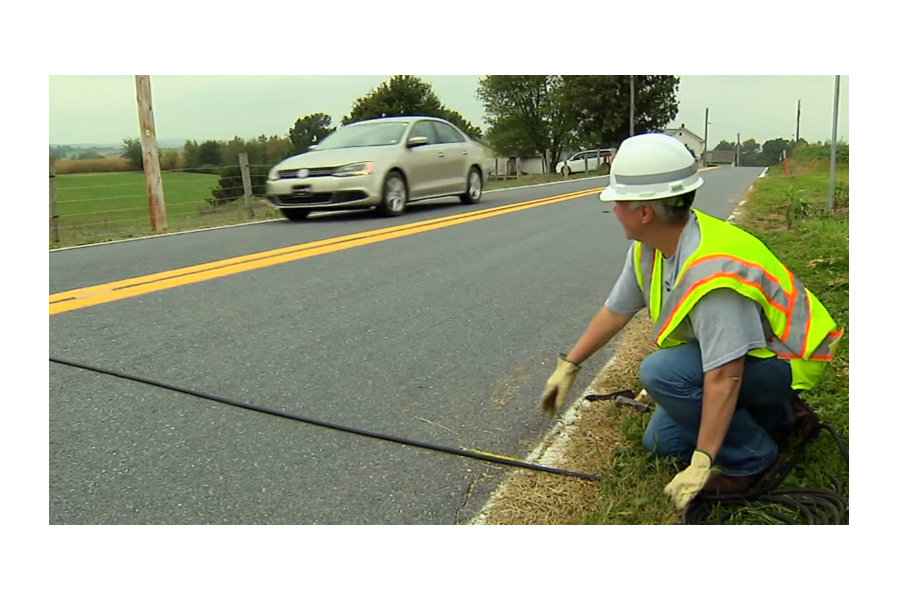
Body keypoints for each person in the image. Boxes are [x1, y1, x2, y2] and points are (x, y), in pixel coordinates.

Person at [539, 133, 843, 511]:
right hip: (756, 356)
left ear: (645, 212)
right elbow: (616, 310)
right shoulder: (652, 247)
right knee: (663, 443)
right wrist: (571, 364)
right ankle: (781, 413)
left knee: (663, 372)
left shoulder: (714, 276)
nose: (614, 209)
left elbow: (724, 376)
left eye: (619, 201)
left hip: (787, 360)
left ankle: (755, 460)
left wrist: (704, 461)